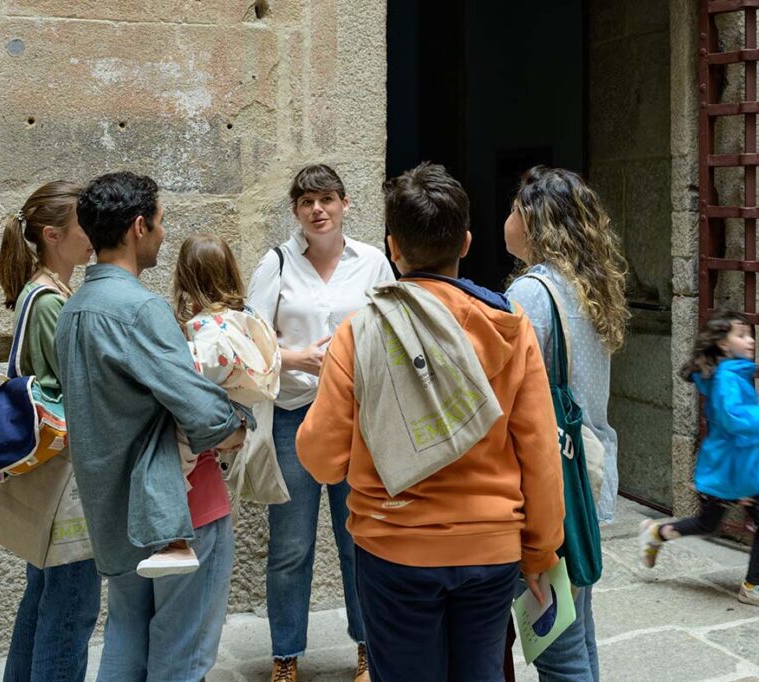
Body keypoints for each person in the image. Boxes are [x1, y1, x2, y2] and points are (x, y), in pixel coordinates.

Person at [297, 162, 565, 682]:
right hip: (490, 545)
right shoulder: (509, 327)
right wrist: (540, 549)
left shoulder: (359, 333)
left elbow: (321, 460)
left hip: (393, 545)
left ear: (393, 248)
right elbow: (539, 450)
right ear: (465, 242)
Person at [55, 171, 247, 680]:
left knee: (125, 641)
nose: (163, 234)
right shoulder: (139, 308)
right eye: (160, 222)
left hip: (115, 510)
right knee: (182, 655)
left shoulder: (73, 310)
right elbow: (204, 413)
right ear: (139, 227)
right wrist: (239, 426)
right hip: (180, 507)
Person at [247, 163, 393, 682]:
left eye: (327, 199)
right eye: (307, 202)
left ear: (345, 203)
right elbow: (248, 341)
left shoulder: (373, 263)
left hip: (357, 417)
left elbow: (394, 329)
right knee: (291, 545)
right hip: (295, 416)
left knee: (359, 540)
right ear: (295, 210)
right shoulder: (276, 264)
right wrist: (296, 358)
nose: (318, 209)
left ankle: (369, 648)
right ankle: (285, 655)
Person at [503, 166, 630, 681]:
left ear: (534, 222)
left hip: (549, 487)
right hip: (585, 477)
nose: (508, 219)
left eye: (515, 210)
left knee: (558, 651)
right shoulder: (587, 286)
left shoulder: (532, 293)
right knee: (578, 631)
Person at [0, 180, 101, 682]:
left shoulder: (43, 292)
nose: (94, 234)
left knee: (42, 600)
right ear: (53, 235)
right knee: (71, 608)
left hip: (50, 475)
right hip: (66, 481)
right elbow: (77, 389)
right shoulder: (51, 300)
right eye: (84, 225)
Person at [639, 308, 759, 612]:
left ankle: (658, 533)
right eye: (741, 335)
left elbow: (738, 412)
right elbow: (735, 418)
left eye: (749, 334)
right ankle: (751, 586)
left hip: (739, 468)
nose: (750, 340)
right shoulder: (726, 378)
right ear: (724, 344)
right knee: (748, 526)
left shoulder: (733, 374)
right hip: (729, 469)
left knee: (722, 524)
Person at [173, 232, 281, 481]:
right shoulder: (242, 318)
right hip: (243, 408)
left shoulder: (208, 329)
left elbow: (192, 379)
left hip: (223, 413)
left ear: (184, 278)